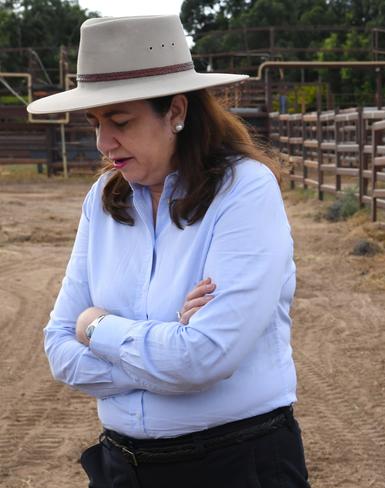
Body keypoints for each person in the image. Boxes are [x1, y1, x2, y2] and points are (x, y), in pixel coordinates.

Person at [27, 15, 309, 488]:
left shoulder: (244, 191)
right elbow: (59, 349)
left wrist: (94, 326)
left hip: (235, 465)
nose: (103, 142)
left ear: (176, 111)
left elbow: (205, 357)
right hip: (122, 467)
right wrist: (167, 352)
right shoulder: (102, 200)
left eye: (120, 121)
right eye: (96, 122)